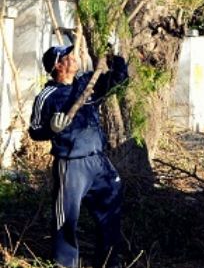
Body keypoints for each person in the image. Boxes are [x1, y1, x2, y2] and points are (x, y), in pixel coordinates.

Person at [28, 45, 129, 268]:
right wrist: (51, 129)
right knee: (66, 218)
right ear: (58, 65)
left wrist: (114, 59)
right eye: (68, 56)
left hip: (98, 161)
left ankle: (108, 262)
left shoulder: (87, 83)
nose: (74, 58)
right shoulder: (47, 96)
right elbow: (34, 131)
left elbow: (119, 80)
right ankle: (65, 263)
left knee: (111, 205)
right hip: (71, 166)